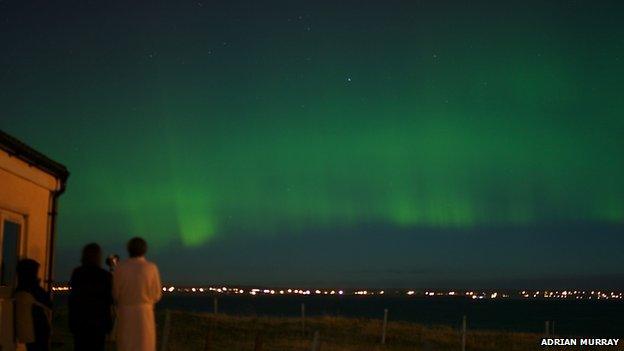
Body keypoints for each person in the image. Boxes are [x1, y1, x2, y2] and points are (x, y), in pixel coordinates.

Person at [113, 237, 162, 351]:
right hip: (145, 314)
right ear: (145, 250)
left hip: (125, 313)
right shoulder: (151, 268)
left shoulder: (120, 267)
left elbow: (115, 293)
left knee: (126, 345)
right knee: (144, 345)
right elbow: (157, 294)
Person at [68, 243, 113, 351]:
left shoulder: (77, 273)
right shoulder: (105, 276)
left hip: (80, 320)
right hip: (98, 322)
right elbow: (109, 300)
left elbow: (74, 297)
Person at [14, 258, 52, 351]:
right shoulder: (32, 290)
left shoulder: (20, 290)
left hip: (30, 333)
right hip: (38, 331)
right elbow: (48, 302)